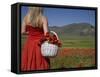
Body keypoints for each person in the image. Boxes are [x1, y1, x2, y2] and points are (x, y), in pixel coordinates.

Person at [21, 7, 50, 71]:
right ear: (40, 9)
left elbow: (22, 32)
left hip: (30, 43)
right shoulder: (43, 18)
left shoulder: (26, 18)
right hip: (40, 43)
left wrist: (31, 33)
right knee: (41, 61)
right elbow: (46, 34)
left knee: (29, 60)